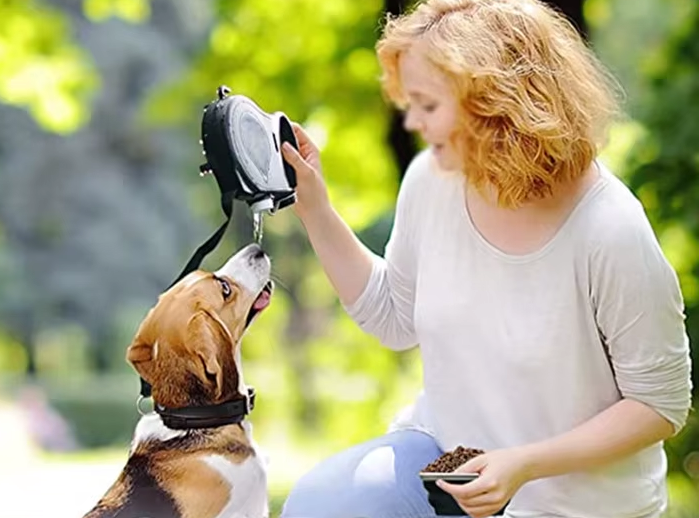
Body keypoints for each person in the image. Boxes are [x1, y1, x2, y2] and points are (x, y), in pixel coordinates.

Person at [278, 0, 693, 517]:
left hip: (574, 506)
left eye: (428, 106)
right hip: (448, 469)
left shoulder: (610, 229)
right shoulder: (432, 181)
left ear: (494, 105)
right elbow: (394, 317)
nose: (412, 122)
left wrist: (524, 464)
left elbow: (660, 405)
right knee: (322, 504)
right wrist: (315, 208)